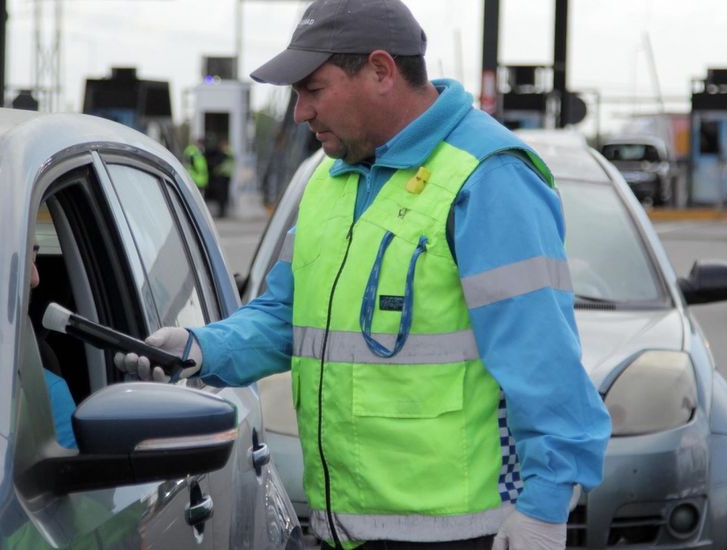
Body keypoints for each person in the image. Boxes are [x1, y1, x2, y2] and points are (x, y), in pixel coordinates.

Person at [117, 1, 610, 549]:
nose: (300, 112)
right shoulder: (332, 181)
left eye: (313, 89)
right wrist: (200, 348)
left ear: (381, 70)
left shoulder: (487, 178)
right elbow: (287, 315)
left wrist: (544, 511)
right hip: (341, 530)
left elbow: (543, 361)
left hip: (461, 535)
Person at [30, 243, 77, 449]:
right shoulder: (40, 393)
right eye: (21, 252)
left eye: (34, 254)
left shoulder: (42, 393)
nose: (35, 278)